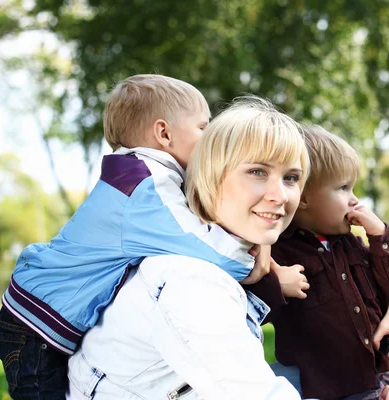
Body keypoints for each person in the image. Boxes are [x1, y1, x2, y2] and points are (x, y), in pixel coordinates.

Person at [0, 75, 270, 400]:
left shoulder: (135, 177)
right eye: (203, 128)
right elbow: (200, 245)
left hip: (40, 318)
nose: (211, 139)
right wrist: (256, 253)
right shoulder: (145, 186)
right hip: (34, 327)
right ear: (164, 133)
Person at [66, 96, 310, 399]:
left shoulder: (208, 257)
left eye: (291, 178)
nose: (280, 195)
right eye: (258, 172)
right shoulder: (193, 279)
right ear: (211, 177)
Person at [246, 125, 389, 400]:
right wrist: (277, 285)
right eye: (343, 188)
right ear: (304, 197)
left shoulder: (351, 244)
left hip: (382, 372)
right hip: (332, 385)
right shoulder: (280, 254)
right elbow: (254, 314)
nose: (354, 199)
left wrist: (380, 238)